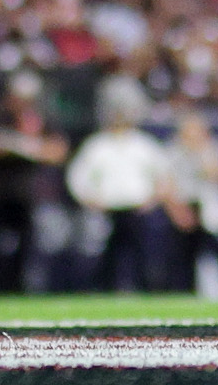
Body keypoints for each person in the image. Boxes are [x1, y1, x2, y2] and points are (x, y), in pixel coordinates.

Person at [0, 64, 61, 296]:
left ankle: (20, 289)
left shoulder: (40, 117)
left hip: (26, 192)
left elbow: (58, 150)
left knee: (26, 246)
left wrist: (29, 148)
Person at [67, 101, 168, 293]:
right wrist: (89, 199)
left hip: (137, 208)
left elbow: (163, 173)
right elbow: (78, 177)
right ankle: (105, 289)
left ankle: (146, 290)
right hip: (107, 209)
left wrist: (154, 199)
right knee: (105, 255)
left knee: (142, 254)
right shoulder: (97, 145)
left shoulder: (143, 144)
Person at [163, 114, 218, 298]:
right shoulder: (172, 152)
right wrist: (177, 210)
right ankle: (184, 293)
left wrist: (199, 153)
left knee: (215, 252)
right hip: (184, 205)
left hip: (207, 207)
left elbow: (216, 175)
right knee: (183, 257)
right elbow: (166, 183)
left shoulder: (210, 150)